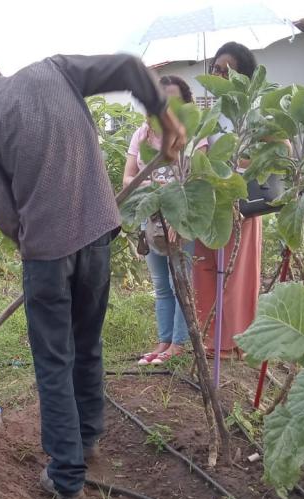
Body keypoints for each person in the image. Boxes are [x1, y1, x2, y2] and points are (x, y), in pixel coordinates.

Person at [0, 49, 185, 499]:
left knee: (54, 360)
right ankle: (85, 441)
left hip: (47, 253)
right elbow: (131, 67)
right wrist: (167, 122)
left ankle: (66, 475)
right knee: (86, 345)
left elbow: (5, 217)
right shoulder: (56, 70)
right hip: (98, 235)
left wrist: (37, 246)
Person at [192, 42, 263, 357]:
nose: (218, 75)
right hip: (208, 199)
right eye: (215, 69)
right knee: (205, 267)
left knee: (237, 271)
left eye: (226, 71)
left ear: (243, 76)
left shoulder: (254, 113)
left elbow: (281, 149)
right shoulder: (210, 114)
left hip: (240, 200)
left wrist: (239, 162)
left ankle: (237, 341)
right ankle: (211, 340)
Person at [123, 74, 194, 366]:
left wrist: (180, 219)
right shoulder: (142, 135)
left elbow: (196, 181)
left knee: (181, 283)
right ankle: (164, 341)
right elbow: (127, 178)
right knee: (161, 284)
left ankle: (179, 344)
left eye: (174, 99)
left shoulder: (192, 135)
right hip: (151, 218)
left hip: (180, 218)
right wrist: (153, 185)